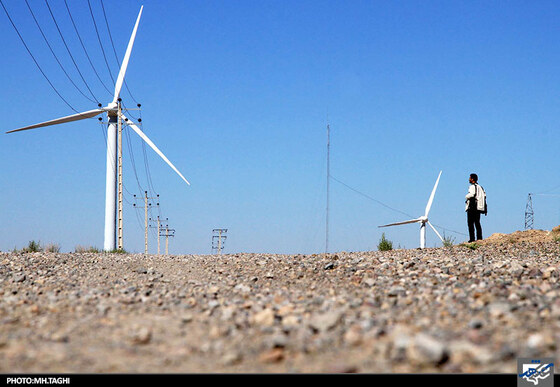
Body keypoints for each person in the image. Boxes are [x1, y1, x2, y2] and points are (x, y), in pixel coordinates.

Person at [465, 173, 485, 242]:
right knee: (477, 223)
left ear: (472, 179)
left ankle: (472, 239)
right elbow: (484, 195)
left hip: (473, 206)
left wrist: (466, 196)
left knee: (470, 223)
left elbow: (472, 194)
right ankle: (479, 238)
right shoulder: (480, 187)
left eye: (470, 178)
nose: (469, 179)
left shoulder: (472, 187)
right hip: (479, 207)